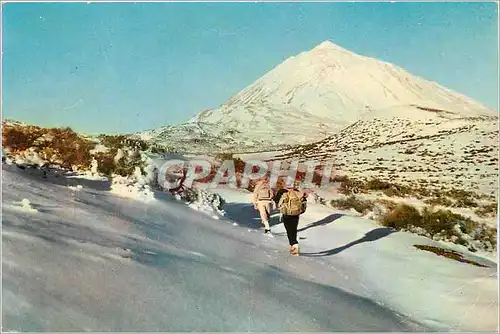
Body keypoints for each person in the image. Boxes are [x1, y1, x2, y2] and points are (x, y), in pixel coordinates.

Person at [278, 185, 307, 255]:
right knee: (293, 229)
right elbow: (304, 205)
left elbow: (280, 203)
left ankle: (294, 244)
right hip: (296, 214)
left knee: (288, 229)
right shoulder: (300, 194)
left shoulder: (286, 193)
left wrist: (281, 208)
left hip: (287, 213)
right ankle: (293, 245)